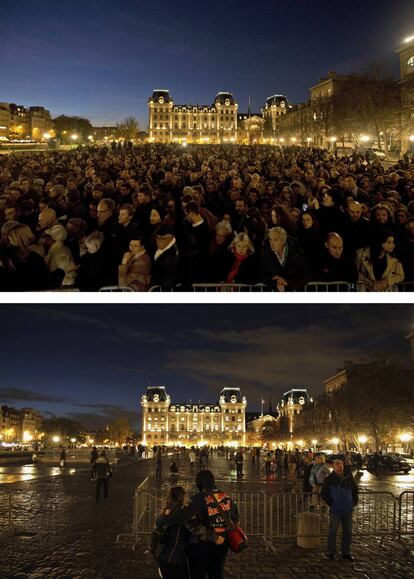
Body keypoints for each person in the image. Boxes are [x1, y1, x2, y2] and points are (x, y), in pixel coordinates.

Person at [156, 470, 239, 579]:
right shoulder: (226, 497)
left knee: (198, 575)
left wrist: (161, 520)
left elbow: (183, 519)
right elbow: (236, 519)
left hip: (200, 547)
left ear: (199, 483)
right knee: (217, 574)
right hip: (221, 546)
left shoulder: (197, 499)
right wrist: (222, 533)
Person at [321, 459, 358, 561]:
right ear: (333, 466)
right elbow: (324, 492)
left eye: (341, 463)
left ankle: (346, 552)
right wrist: (330, 502)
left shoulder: (349, 478)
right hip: (335, 509)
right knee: (332, 531)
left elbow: (355, 491)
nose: (339, 465)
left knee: (348, 531)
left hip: (347, 509)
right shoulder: (329, 479)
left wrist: (353, 502)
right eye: (337, 464)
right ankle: (331, 552)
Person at [153, 486, 190, 579]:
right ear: (182, 497)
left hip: (162, 557)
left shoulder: (167, 509)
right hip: (175, 558)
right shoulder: (181, 513)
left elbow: (159, 521)